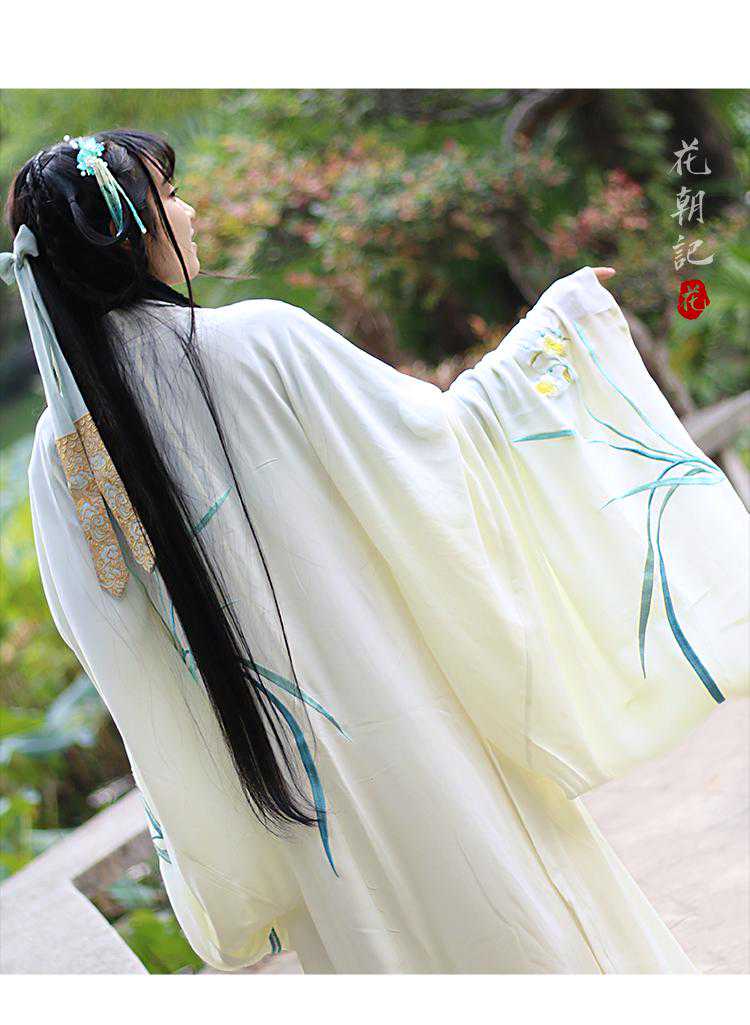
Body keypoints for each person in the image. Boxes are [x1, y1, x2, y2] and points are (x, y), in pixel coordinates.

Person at [2, 129, 747, 974]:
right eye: (168, 196)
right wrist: (560, 330)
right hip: (416, 734)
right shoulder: (259, 343)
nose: (190, 210)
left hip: (296, 805)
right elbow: (441, 449)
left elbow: (123, 664)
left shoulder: (62, 462)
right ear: (127, 229)